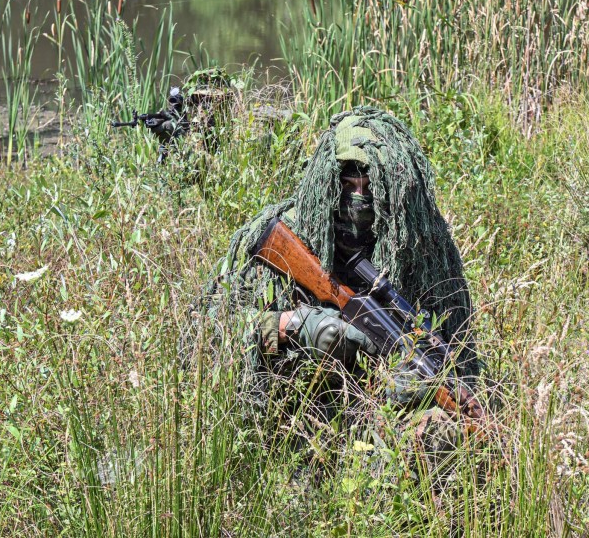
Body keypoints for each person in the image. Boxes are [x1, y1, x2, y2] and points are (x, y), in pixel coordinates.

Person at [204, 106, 480, 483]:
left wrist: (402, 384)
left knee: (449, 438)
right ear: (328, 183)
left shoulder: (422, 249)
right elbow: (214, 337)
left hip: (379, 426)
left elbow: (458, 356)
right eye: (349, 184)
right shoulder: (289, 234)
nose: (359, 199)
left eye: (372, 188)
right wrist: (295, 326)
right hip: (293, 423)